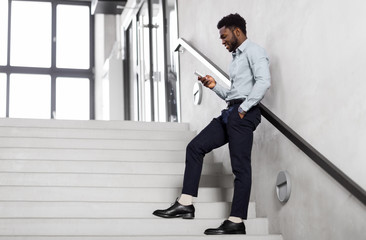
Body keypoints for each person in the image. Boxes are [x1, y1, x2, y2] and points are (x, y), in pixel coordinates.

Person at [153, 13, 271, 235]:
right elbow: (234, 94)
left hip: (243, 114)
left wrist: (244, 109)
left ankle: (236, 221)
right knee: (195, 147)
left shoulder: (255, 52)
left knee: (240, 167)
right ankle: (185, 203)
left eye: (224, 36)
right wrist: (214, 86)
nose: (223, 41)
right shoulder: (236, 59)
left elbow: (264, 82)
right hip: (231, 112)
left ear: (237, 31)